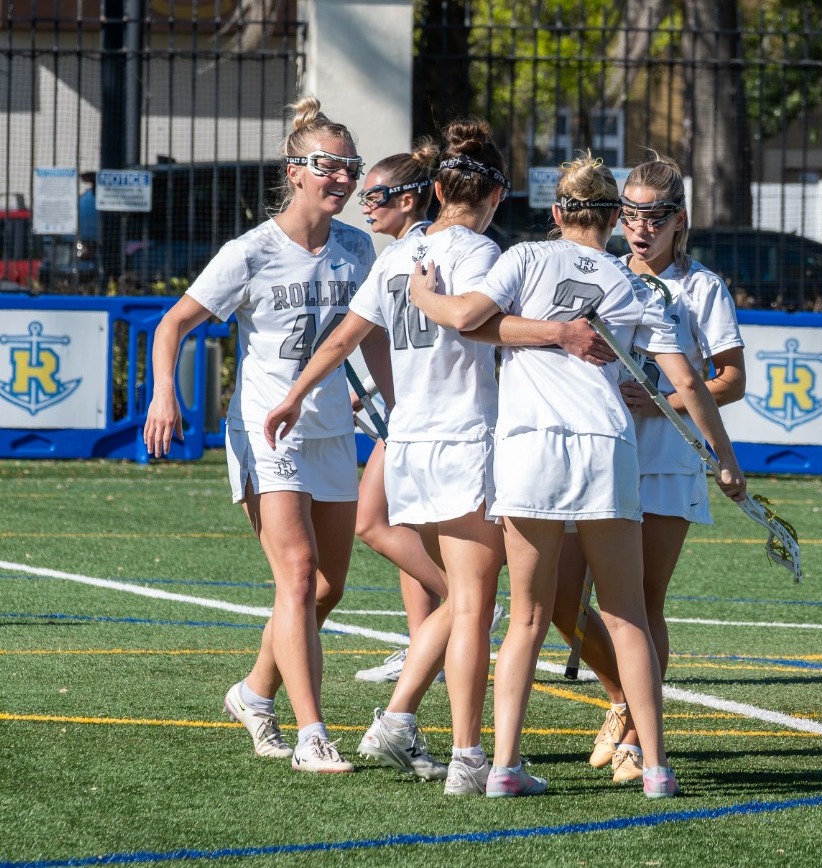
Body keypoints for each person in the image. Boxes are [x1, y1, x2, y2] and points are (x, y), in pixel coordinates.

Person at [407, 151, 746, 799]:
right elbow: (691, 385)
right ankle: (654, 767)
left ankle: (503, 767)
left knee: (528, 617)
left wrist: (424, 291)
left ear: (557, 210)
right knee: (626, 616)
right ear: (616, 216)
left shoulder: (525, 258)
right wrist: (725, 461)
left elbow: (466, 320)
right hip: (604, 446)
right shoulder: (633, 283)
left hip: (529, 447)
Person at [266, 118, 548, 794]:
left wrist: (293, 396)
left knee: (463, 598)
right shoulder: (478, 253)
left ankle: (399, 719)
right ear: (496, 192)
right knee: (477, 602)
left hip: (411, 445)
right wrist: (560, 335)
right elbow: (477, 322)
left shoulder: (396, 257)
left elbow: (340, 341)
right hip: (462, 438)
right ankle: (467, 759)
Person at [144, 96, 374, 773]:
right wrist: (165, 395)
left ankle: (254, 692)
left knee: (327, 587)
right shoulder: (248, 252)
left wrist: (391, 400)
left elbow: (370, 338)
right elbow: (171, 325)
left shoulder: (358, 248)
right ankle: (312, 734)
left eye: (350, 167)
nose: (342, 179)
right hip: (265, 429)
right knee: (298, 577)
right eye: (329, 166)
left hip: (334, 431)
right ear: (294, 171)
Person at [548, 153, 746, 784]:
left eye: (654, 216)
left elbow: (730, 380)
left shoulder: (701, 287)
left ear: (678, 219)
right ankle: (620, 697)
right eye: (629, 213)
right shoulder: (600, 270)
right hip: (596, 454)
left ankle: (636, 734)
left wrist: (664, 397)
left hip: (665, 459)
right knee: (559, 599)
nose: (639, 227)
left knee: (638, 602)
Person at [347, 144, 455, 684]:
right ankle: (427, 642)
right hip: (411, 410)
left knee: (375, 521)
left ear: (408, 199)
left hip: (426, 416)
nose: (364, 206)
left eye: (374, 197)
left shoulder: (411, 255)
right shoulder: (405, 254)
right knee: (399, 524)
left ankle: (464, 604)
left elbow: (396, 341)